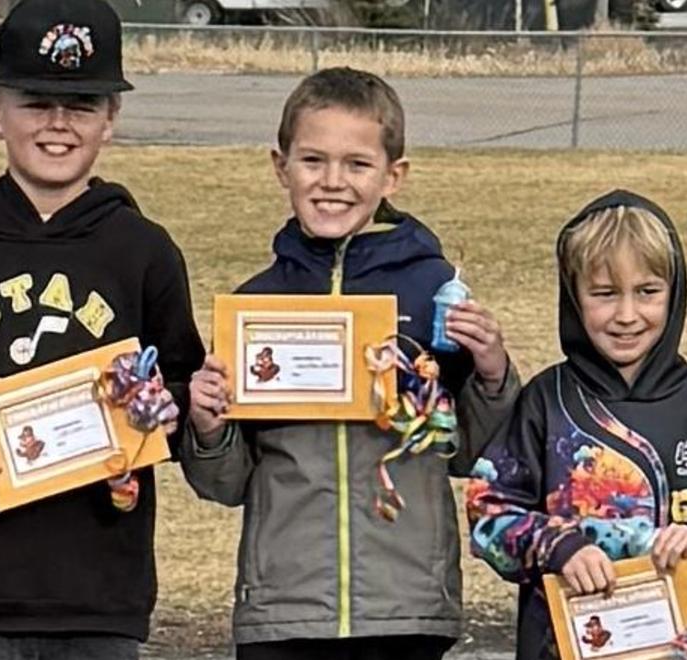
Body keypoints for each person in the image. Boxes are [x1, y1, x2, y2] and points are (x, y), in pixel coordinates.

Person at [0, 0, 203, 656]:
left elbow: (184, 384)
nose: (58, 124)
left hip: (101, 595)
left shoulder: (144, 252)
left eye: (82, 104)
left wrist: (165, 409)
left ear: (112, 117)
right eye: (35, 102)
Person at [180, 66, 520, 660]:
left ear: (395, 175)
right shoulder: (256, 305)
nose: (333, 181)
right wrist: (208, 426)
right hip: (283, 609)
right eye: (313, 160)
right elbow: (227, 483)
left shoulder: (433, 292)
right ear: (279, 165)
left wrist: (492, 372)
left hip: (404, 604)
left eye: (357, 164)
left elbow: (472, 453)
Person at [465, 191, 687, 660]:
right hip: (566, 644)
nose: (628, 315)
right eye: (605, 294)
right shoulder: (545, 403)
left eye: (647, 292)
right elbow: (487, 511)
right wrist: (559, 546)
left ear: (674, 293)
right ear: (574, 298)